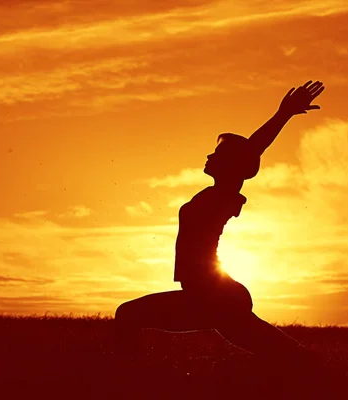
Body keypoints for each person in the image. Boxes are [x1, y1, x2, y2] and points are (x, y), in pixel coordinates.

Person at [114, 80, 325, 361]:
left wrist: (283, 115)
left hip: (213, 294)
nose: (209, 155)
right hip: (209, 293)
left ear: (231, 165)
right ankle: (315, 367)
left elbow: (251, 151)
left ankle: (127, 378)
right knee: (272, 348)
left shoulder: (224, 194)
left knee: (128, 315)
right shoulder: (213, 193)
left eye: (217, 153)